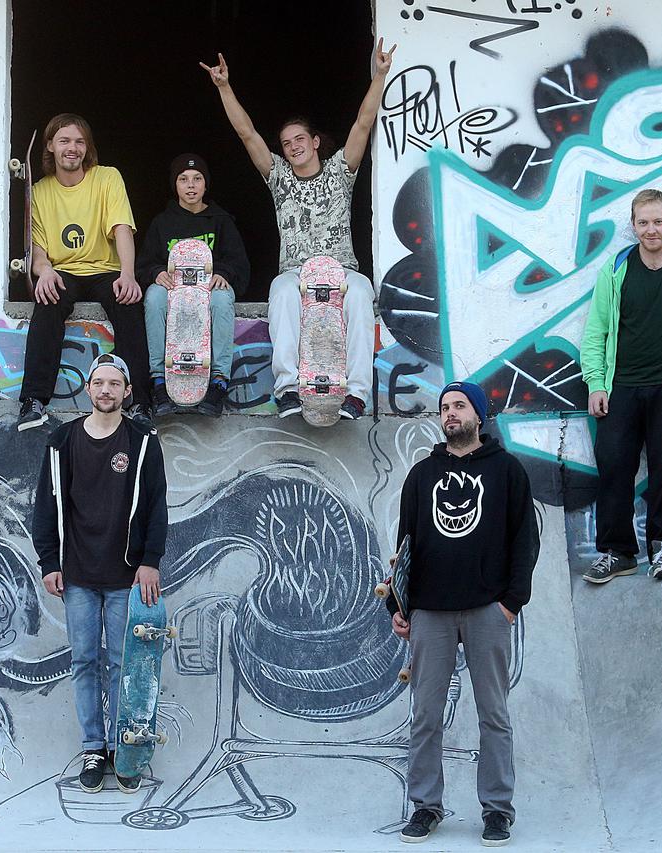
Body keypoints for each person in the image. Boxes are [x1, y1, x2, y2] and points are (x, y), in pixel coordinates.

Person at [201, 39, 396, 420]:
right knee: (281, 292)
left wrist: (380, 76)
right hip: (296, 272)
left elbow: (363, 123)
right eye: (287, 143)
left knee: (360, 295)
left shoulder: (341, 172)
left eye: (300, 139)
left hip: (342, 271)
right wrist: (224, 87)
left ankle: (355, 395)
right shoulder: (279, 179)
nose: (293, 147)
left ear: (316, 142)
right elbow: (247, 134)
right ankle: (289, 388)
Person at [387, 381, 537, 847]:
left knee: (493, 713)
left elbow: (525, 542)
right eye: (444, 408)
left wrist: (511, 603)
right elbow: (405, 546)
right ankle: (426, 806)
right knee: (425, 714)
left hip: (487, 609)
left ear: (479, 414)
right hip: (430, 610)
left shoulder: (507, 472)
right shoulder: (421, 475)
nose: (450, 414)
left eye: (459, 406)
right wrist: (399, 602)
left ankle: (497, 810)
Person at [31, 353, 168, 794]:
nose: (106, 390)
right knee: (84, 661)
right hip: (78, 576)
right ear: (87, 389)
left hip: (125, 574)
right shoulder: (62, 440)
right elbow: (47, 504)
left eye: (115, 384)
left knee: (122, 664)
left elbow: (156, 505)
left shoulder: (143, 440)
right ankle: (93, 747)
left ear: (126, 391)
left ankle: (122, 748)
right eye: (98, 383)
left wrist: (150, 560)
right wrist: (49, 561)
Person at [579, 189, 662, 583]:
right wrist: (596, 383)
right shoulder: (617, 269)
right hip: (620, 385)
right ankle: (618, 552)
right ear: (634, 225)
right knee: (613, 465)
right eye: (643, 222)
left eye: (659, 221)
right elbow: (596, 330)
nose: (651, 229)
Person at [17, 113, 153, 431]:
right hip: (64, 269)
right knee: (47, 300)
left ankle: (143, 403)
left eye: (79, 142)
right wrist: (45, 271)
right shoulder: (39, 191)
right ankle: (33, 401)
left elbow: (122, 229)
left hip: (107, 269)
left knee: (129, 302)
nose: (72, 148)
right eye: (64, 140)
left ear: (87, 147)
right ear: (50, 146)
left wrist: (129, 275)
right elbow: (36, 250)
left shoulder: (107, 178)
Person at [139, 153, 251, 417]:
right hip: (173, 292)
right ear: (175, 185)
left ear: (205, 184)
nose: (191, 185)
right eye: (183, 179)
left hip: (208, 290)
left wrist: (224, 272)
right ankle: (159, 380)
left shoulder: (220, 220)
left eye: (197, 179)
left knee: (222, 299)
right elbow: (143, 264)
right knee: (154, 297)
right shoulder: (162, 223)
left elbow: (239, 262)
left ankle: (219, 381)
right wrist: (156, 272)